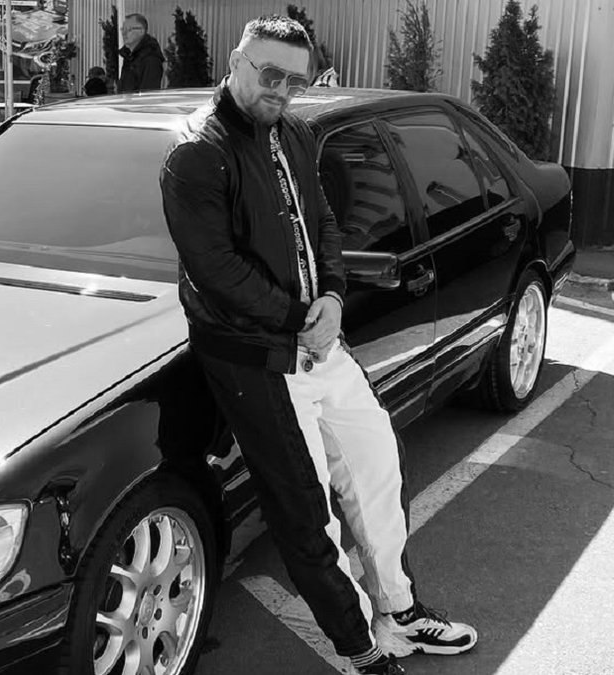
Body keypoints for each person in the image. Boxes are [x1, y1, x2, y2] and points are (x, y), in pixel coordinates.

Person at [159, 15, 477, 675]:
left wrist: (331, 296)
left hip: (320, 343)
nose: (280, 89)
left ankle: (400, 612)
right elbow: (215, 269)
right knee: (308, 516)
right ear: (236, 61)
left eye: (296, 81)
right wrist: (298, 317)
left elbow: (325, 222)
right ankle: (362, 649)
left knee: (379, 470)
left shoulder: (296, 134)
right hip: (258, 358)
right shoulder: (198, 152)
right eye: (269, 73)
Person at [117, 13, 163, 93]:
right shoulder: (129, 57)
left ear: (142, 31)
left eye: (129, 29)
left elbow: (148, 94)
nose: (124, 33)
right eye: (123, 29)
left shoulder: (150, 59)